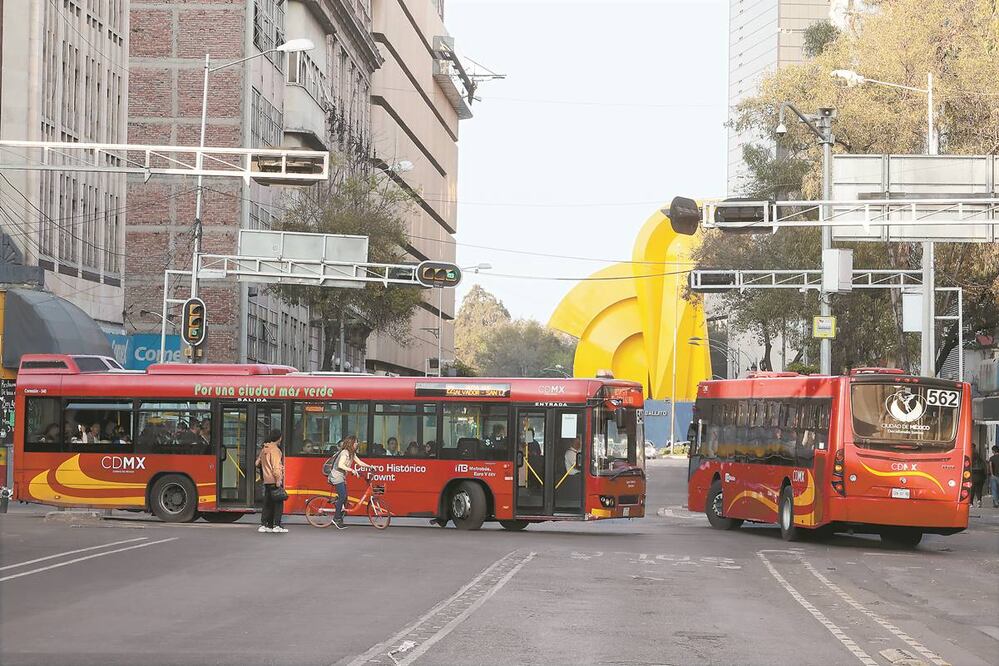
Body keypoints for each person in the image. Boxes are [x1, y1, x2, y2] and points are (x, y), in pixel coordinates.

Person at [328, 435, 373, 529]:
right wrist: (352, 470)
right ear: (351, 443)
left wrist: (370, 467)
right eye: (356, 442)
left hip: (342, 476)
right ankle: (336, 518)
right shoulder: (345, 452)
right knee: (343, 496)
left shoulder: (352, 453)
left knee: (345, 498)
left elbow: (359, 462)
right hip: (336, 476)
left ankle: (338, 510)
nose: (357, 444)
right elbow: (340, 465)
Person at [256, 429, 287, 533]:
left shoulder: (265, 448)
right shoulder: (275, 450)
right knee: (278, 503)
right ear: (279, 438)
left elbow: (257, 463)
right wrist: (279, 480)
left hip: (266, 479)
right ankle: (276, 525)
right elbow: (276, 468)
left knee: (268, 503)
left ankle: (265, 525)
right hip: (274, 479)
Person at [989, 445, 999, 509]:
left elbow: (990, 466)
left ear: (993, 451)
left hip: (994, 475)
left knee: (994, 490)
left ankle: (996, 503)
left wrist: (992, 474)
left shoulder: (992, 458)